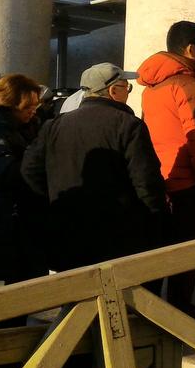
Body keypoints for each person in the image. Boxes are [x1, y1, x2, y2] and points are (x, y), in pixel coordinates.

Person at [22, 63, 168, 272]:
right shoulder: (129, 125)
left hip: (66, 230)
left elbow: (29, 171)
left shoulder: (54, 125)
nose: (128, 92)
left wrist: (55, 201)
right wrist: (156, 219)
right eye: (127, 87)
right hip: (117, 235)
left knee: (73, 289)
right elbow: (146, 180)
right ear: (113, 91)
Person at [136, 20, 195, 329]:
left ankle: (152, 315)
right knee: (187, 254)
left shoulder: (152, 88)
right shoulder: (188, 85)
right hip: (190, 182)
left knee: (162, 251)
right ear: (190, 48)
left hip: (164, 178)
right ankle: (181, 317)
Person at [0, 74, 48, 303]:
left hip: (23, 220)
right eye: (27, 107)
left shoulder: (30, 127)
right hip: (6, 219)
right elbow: (7, 173)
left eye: (36, 106)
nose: (33, 111)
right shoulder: (1, 131)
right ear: (10, 104)